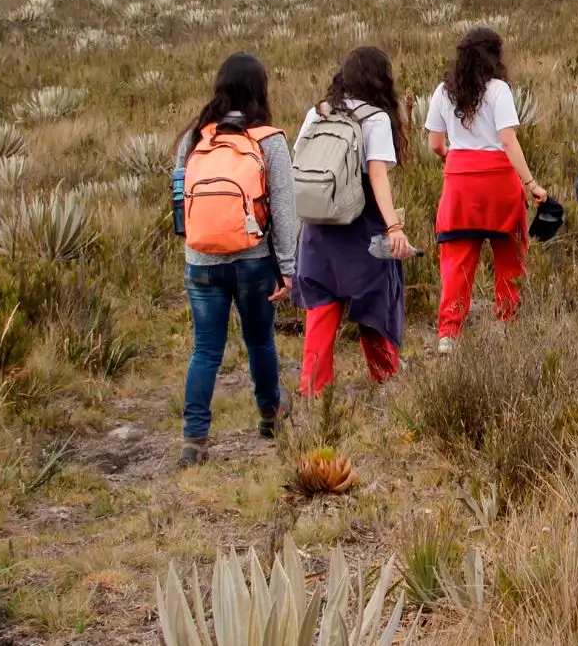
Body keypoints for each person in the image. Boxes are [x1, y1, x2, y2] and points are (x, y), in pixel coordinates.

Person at [173, 53, 298, 468]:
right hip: (253, 259)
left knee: (205, 348)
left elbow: (179, 197)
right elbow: (284, 209)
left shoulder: (195, 136)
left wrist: (194, 241)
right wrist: (287, 268)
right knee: (259, 339)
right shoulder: (269, 139)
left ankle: (194, 439)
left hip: (202, 259)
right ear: (260, 89)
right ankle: (270, 414)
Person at [292, 47, 413, 398]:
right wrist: (394, 227)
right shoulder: (376, 118)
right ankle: (384, 375)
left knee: (321, 305)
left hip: (318, 223)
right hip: (361, 223)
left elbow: (299, 162)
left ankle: (313, 388)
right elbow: (377, 176)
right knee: (374, 304)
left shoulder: (318, 112)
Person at [426, 28, 548, 353]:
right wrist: (531, 183)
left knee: (457, 261)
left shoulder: (443, 92)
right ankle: (507, 324)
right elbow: (508, 140)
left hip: (460, 183)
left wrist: (453, 158)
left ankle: (449, 334)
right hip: (499, 182)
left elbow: (435, 143)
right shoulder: (498, 90)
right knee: (509, 255)